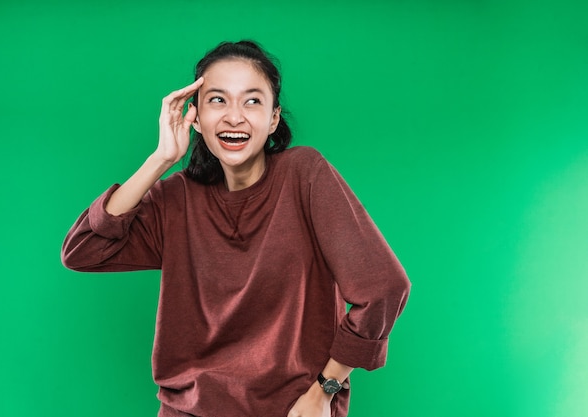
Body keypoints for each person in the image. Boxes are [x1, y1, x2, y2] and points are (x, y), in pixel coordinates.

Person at [62, 40, 410, 417]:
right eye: (218, 100)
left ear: (274, 118)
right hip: (190, 409)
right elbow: (83, 250)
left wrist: (326, 389)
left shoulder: (304, 174)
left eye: (252, 101)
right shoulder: (177, 199)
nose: (234, 117)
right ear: (194, 116)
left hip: (294, 409)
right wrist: (160, 159)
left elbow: (384, 288)